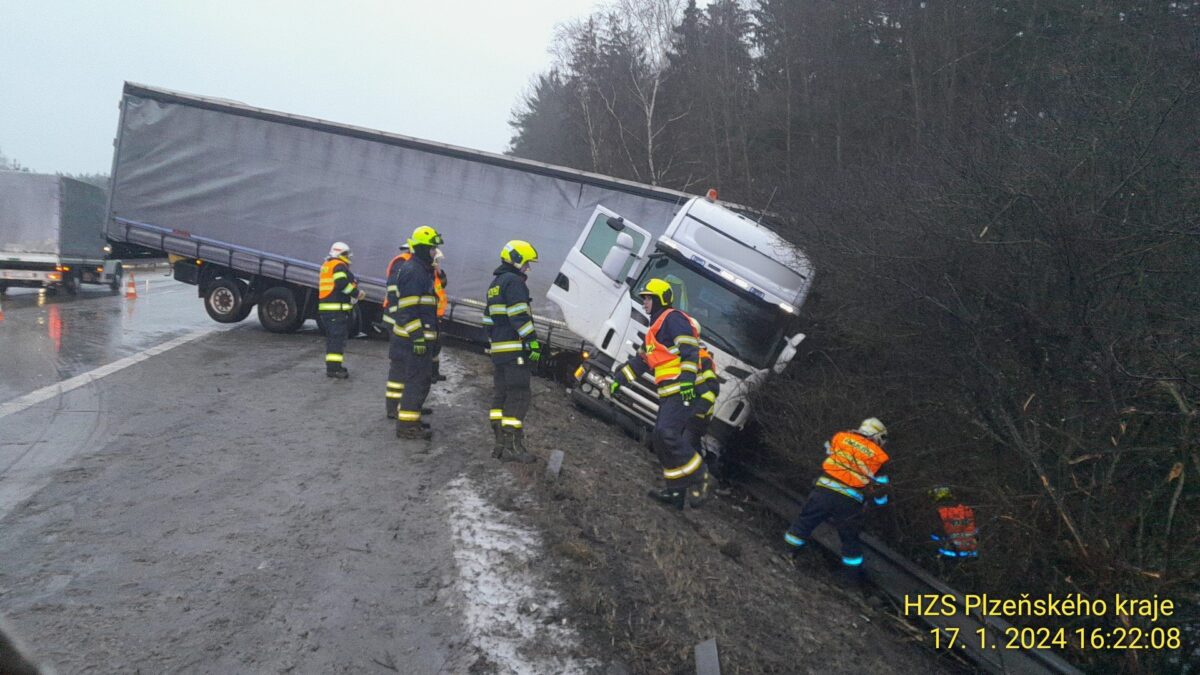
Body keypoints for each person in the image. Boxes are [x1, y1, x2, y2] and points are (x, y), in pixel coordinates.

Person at [609, 278, 710, 509]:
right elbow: (641, 362)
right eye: (644, 299)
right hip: (669, 394)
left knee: (666, 434)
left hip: (682, 391)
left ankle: (701, 474)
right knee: (660, 439)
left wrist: (686, 381)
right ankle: (675, 494)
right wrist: (619, 380)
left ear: (660, 299)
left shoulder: (673, 318)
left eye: (647, 298)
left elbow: (690, 350)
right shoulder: (654, 331)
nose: (644, 303)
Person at [783, 417, 890, 581]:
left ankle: (787, 553)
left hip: (823, 491)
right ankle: (849, 579)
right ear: (879, 436)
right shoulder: (880, 456)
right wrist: (881, 504)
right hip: (849, 502)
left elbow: (828, 457)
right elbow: (880, 487)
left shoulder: (841, 437)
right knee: (850, 539)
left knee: (804, 522)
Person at [483, 240, 540, 463]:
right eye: (526, 263)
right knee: (519, 395)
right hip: (515, 350)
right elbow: (520, 316)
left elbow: (487, 320)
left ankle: (499, 444)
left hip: (499, 351)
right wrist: (533, 342)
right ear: (515, 259)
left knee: (501, 394)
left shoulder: (495, 284)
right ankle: (512, 447)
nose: (528, 268)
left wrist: (495, 342)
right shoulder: (515, 283)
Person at [390, 226, 444, 440]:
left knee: (420, 381)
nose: (434, 253)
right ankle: (407, 427)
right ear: (422, 248)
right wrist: (418, 337)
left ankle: (410, 419)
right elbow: (407, 310)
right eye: (432, 248)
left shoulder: (421, 269)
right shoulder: (414, 271)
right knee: (415, 381)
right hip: (414, 341)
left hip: (418, 339)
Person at [318, 241, 364, 378]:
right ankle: (333, 369)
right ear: (340, 254)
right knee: (336, 339)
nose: (348, 257)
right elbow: (342, 284)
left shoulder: (328, 265)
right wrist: (357, 293)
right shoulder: (338, 266)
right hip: (335, 310)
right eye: (346, 254)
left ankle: (334, 367)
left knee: (334, 338)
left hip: (329, 309)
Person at [382, 243, 413, 414]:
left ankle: (403, 403)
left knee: (405, 365)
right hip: (397, 321)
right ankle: (394, 407)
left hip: (401, 320)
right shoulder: (402, 263)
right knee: (400, 365)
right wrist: (399, 318)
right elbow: (394, 292)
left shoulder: (411, 264)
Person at [929, 487, 979, 560]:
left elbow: (933, 535)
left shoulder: (939, 513)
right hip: (973, 553)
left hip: (947, 554)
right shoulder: (967, 510)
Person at [431, 249, 449, 384]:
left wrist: (438, 270)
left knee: (436, 347)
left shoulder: (436, 275)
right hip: (431, 316)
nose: (438, 264)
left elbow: (443, 282)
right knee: (432, 346)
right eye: (436, 261)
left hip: (437, 316)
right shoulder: (426, 274)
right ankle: (430, 373)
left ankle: (434, 373)